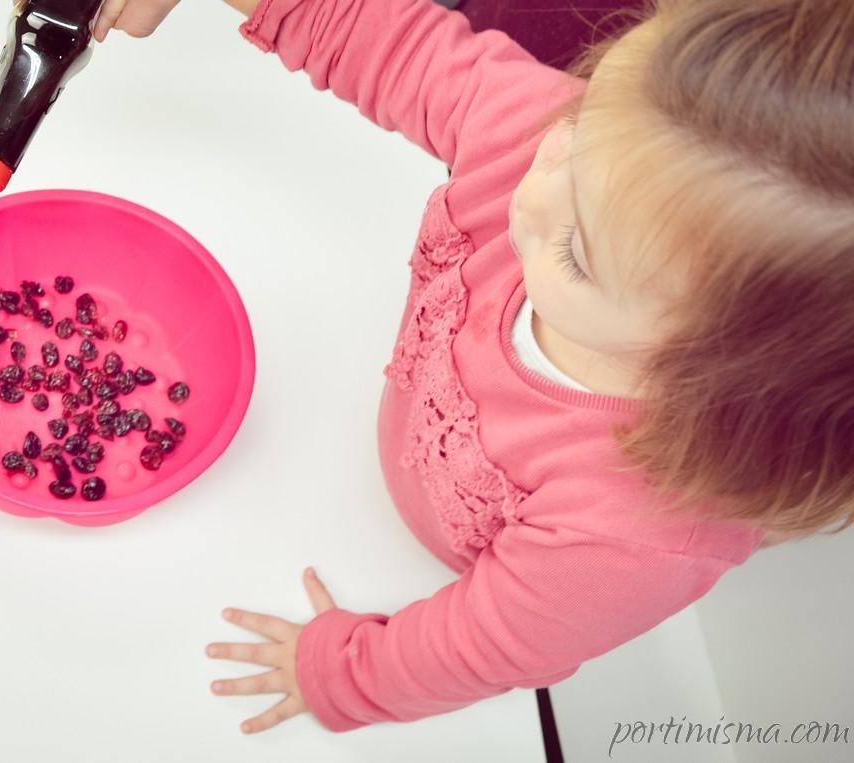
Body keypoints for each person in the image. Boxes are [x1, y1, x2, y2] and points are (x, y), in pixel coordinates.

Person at [88, 0, 854, 736]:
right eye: (576, 125)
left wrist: (343, 673)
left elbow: (473, 647)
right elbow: (392, 45)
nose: (532, 188)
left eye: (577, 255)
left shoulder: (636, 532)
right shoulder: (584, 162)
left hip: (413, 564)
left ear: (717, 374)